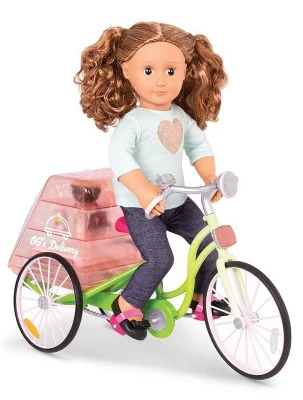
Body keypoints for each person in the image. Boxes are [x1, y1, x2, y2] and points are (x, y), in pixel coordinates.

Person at [74, 21, 229, 340]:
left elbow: (198, 146)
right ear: (127, 71)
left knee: (210, 243)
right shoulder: (133, 122)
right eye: (149, 71)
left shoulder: (180, 117)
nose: (161, 81)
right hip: (140, 206)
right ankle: (125, 305)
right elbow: (121, 158)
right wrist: (144, 191)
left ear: (185, 72)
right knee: (160, 259)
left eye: (170, 71)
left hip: (177, 202)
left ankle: (200, 296)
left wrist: (210, 177)